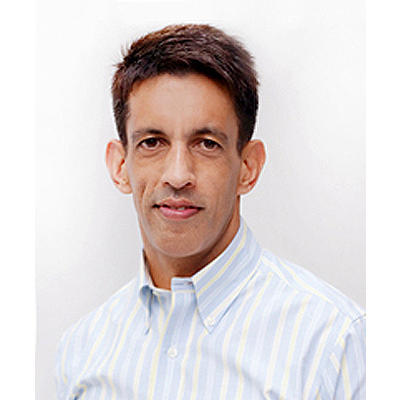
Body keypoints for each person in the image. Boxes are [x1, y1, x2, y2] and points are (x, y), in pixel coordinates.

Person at [55, 24, 366, 399]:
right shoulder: (81, 353)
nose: (178, 175)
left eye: (206, 144)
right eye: (152, 142)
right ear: (120, 166)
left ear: (248, 167)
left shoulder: (334, 342)